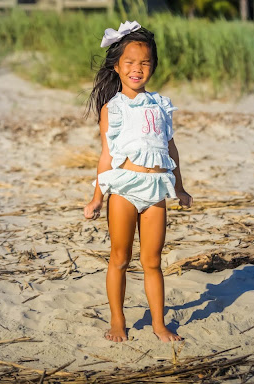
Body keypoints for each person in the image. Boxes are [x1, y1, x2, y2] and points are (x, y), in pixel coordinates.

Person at [83, 20, 193, 343]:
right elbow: (107, 155)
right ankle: (118, 320)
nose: (137, 69)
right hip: (124, 190)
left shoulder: (160, 105)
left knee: (152, 261)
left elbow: (171, 149)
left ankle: (159, 324)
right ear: (117, 67)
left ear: (153, 66)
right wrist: (97, 197)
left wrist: (180, 187)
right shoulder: (113, 108)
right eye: (129, 62)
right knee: (120, 258)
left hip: (156, 190)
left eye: (145, 63)